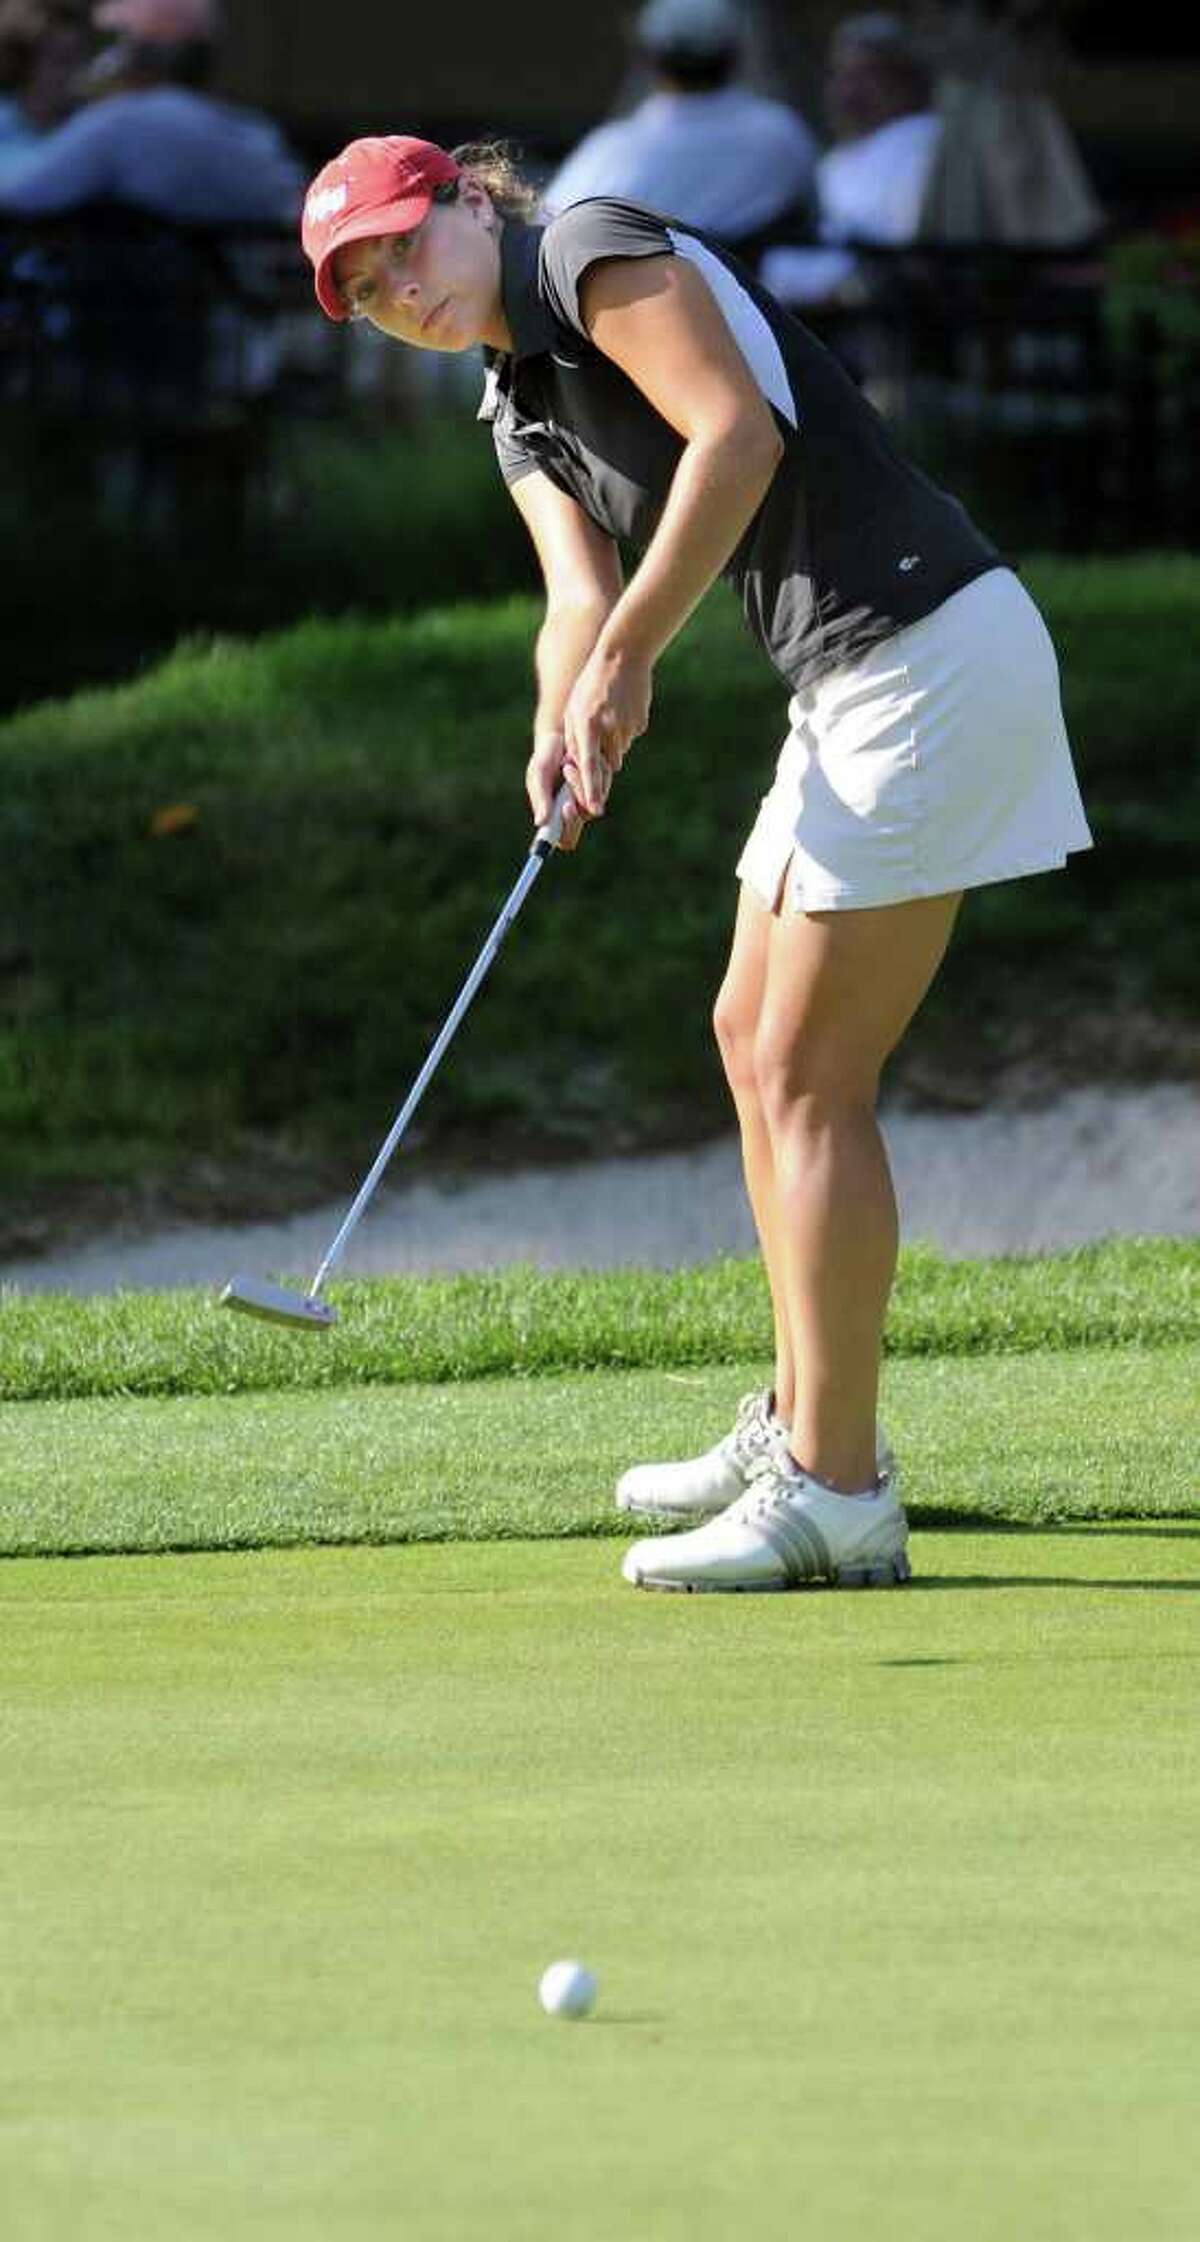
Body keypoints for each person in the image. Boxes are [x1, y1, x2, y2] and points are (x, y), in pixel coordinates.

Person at [299, 134, 1093, 1594]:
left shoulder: (585, 248)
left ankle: (838, 1490)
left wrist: (632, 662)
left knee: (806, 1071)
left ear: (469, 198)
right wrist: (568, 705)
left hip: (930, 655)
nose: (398, 286)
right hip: (856, 682)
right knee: (750, 1038)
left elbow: (736, 435)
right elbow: (576, 600)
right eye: (363, 286)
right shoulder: (516, 405)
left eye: (405, 242)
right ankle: (805, 1415)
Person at [544, 0, 817, 257]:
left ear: (649, 59)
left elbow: (547, 230)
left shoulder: (613, 148)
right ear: (735, 55)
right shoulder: (782, 132)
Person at [0, 0, 303, 221]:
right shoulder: (254, 133)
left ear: (133, 53)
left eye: (110, 44)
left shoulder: (124, 122)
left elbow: (20, 192)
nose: (93, 65)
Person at [760, 12, 943, 308]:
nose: (849, 91)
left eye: (867, 76)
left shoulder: (922, 139)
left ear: (905, 82)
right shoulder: (837, 160)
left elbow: (900, 243)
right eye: (841, 75)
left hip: (877, 311)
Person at [0, 2, 88, 183]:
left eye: (79, 60)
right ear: (26, 64)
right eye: (61, 61)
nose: (74, 73)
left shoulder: (91, 126)